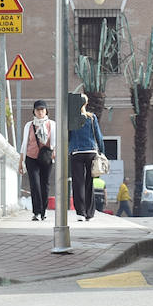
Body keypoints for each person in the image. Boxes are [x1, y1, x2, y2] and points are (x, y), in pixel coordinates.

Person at [68, 91, 106, 221]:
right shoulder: (92, 117)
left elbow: (67, 137)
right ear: (86, 103)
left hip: (76, 152)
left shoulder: (71, 118)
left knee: (78, 183)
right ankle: (90, 213)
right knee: (89, 183)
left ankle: (80, 213)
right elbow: (99, 136)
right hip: (91, 152)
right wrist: (101, 151)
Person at [18, 100, 55, 221]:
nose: (40, 112)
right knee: (35, 184)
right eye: (38, 110)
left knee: (45, 185)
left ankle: (43, 211)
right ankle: (36, 212)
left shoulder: (52, 124)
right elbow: (25, 143)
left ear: (46, 111)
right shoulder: (29, 125)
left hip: (46, 157)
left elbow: (55, 142)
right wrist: (21, 161)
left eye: (42, 110)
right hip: (31, 157)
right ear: (34, 111)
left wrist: (54, 153)